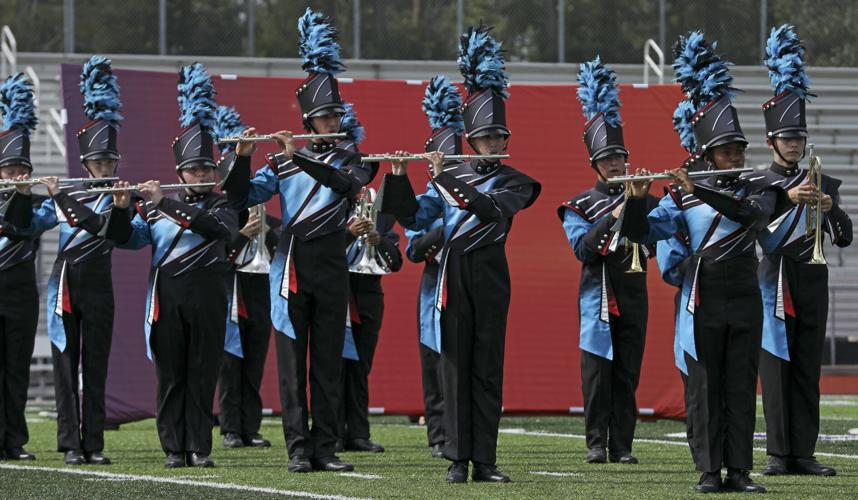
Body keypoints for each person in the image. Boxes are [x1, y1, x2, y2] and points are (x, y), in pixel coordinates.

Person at [380, 25, 540, 483]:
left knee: (486, 370)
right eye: (486, 138)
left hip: (490, 276)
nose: (494, 144)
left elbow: (491, 212)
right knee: (453, 369)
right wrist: (396, 176)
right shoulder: (444, 180)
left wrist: (445, 179)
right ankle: (457, 458)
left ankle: (485, 460)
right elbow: (414, 219)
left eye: (499, 137)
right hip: (451, 280)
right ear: (471, 140)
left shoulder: (516, 181)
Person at [622, 32, 776, 493]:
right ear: (707, 154)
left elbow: (749, 217)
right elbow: (641, 234)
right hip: (702, 294)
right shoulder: (677, 197)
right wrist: (636, 201)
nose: (734, 156)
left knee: (740, 384)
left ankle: (741, 471)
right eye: (726, 150)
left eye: (738, 149)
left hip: (744, 294)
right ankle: (710, 471)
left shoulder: (753, 187)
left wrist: (697, 188)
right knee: (706, 387)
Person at [221, 8, 374, 473]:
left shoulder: (355, 158)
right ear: (309, 121)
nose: (331, 123)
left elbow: (349, 186)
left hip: (331, 262)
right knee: (291, 368)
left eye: (335, 116)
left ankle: (326, 449)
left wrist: (299, 157)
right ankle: (299, 450)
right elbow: (240, 196)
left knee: (326, 362)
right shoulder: (282, 163)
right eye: (323, 118)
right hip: (289, 267)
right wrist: (243, 157)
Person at [106, 63, 238, 469]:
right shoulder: (154, 209)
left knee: (201, 374)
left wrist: (165, 202)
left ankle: (199, 446)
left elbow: (218, 232)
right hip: (167, 299)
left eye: (206, 169)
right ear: (180, 172)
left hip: (209, 298)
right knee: (171, 377)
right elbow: (125, 241)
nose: (201, 174)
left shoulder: (223, 204)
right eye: (194, 169)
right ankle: (173, 448)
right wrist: (122, 211)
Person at [756, 25, 852, 477]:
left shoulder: (823, 182)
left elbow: (846, 235)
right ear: (771, 141)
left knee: (808, 367)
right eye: (786, 138)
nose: (793, 144)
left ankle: (803, 453)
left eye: (798, 137)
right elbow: (754, 228)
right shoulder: (760, 183)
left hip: (812, 281)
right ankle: (778, 452)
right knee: (776, 368)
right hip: (773, 282)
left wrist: (831, 210)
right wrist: (784, 201)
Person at [558, 57, 657, 465]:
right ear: (594, 164)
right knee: (598, 373)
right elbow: (583, 250)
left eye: (621, 156)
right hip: (597, 296)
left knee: (628, 371)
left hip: (633, 291)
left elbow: (652, 243)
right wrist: (616, 212)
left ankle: (623, 445)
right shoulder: (578, 206)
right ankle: (596, 442)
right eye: (608, 159)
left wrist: (636, 205)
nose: (617, 164)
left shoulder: (647, 199)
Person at [32, 56, 124, 466]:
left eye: (110, 161)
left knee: (97, 365)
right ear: (85, 164)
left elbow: (107, 229)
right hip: (64, 286)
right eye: (99, 162)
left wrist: (60, 197)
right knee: (66, 366)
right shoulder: (65, 196)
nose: (105, 167)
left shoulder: (123, 199)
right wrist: (18, 194)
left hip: (100, 286)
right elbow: (26, 224)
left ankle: (94, 444)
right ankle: (70, 443)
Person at [337, 104, 403, 453]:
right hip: (336, 288)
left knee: (360, 365)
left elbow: (396, 261)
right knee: (332, 365)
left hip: (367, 292)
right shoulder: (326, 209)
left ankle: (358, 434)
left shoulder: (379, 210)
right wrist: (348, 234)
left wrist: (377, 240)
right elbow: (322, 252)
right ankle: (331, 431)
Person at [213, 105, 278, 450]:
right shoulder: (220, 217)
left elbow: (280, 250)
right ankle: (230, 428)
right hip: (230, 291)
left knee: (254, 361)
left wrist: (265, 233)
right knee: (230, 363)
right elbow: (219, 257)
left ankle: (250, 427)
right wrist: (242, 234)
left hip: (258, 290)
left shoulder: (268, 220)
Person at [0, 73, 42, 461]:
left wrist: (25, 195)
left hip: (21, 296)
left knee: (16, 370)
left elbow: (26, 225)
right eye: (9, 170)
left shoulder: (37, 202)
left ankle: (14, 440)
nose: (15, 175)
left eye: (20, 169)